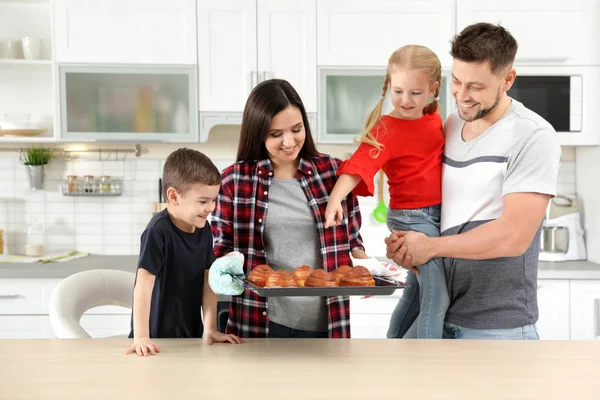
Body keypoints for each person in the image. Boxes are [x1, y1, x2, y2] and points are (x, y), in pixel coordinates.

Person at [385, 22, 561, 340]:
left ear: (507, 79)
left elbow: (513, 237)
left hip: (497, 326)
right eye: (456, 81)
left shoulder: (532, 135)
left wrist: (429, 247)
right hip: (439, 312)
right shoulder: (450, 125)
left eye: (475, 87)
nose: (462, 96)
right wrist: (408, 248)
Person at [211, 79, 368, 339]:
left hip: (326, 324)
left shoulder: (334, 175)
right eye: (275, 134)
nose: (289, 141)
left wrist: (373, 271)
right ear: (258, 132)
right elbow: (221, 252)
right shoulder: (233, 182)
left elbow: (352, 241)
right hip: (260, 323)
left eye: (296, 129)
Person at [324, 45, 448, 339]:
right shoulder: (387, 128)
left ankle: (395, 351)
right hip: (411, 219)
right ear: (388, 86)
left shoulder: (434, 119)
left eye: (416, 93)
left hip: (434, 217)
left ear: (433, 89)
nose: (406, 100)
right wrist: (335, 198)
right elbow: (358, 166)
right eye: (398, 91)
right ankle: (430, 362)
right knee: (438, 297)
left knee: (416, 293)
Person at [126, 148, 242, 356]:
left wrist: (210, 328)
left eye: (213, 200)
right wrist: (142, 337)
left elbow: (209, 281)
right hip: (155, 339)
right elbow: (142, 287)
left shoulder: (203, 228)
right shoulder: (158, 231)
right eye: (203, 201)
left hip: (190, 336)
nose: (211, 208)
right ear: (173, 196)